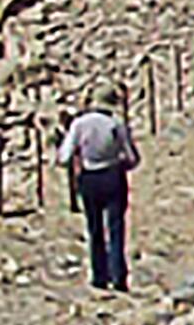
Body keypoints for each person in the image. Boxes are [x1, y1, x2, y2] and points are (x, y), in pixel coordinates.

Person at [58, 88, 138, 292]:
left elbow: (64, 157)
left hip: (89, 178)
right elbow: (132, 157)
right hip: (113, 176)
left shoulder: (79, 124)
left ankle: (99, 276)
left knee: (94, 230)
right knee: (116, 227)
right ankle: (118, 275)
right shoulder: (115, 124)